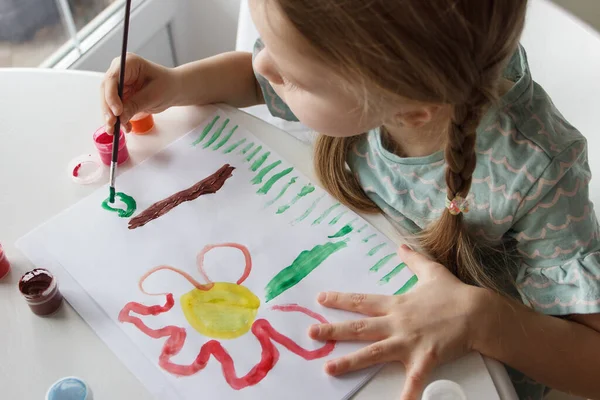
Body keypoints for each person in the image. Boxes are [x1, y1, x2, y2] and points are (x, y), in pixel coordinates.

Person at [100, 1, 600, 399]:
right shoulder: (383, 71)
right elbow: (257, 75)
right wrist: (178, 83)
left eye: (294, 78)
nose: (262, 63)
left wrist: (479, 320)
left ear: (412, 109)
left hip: (478, 366)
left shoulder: (539, 170)